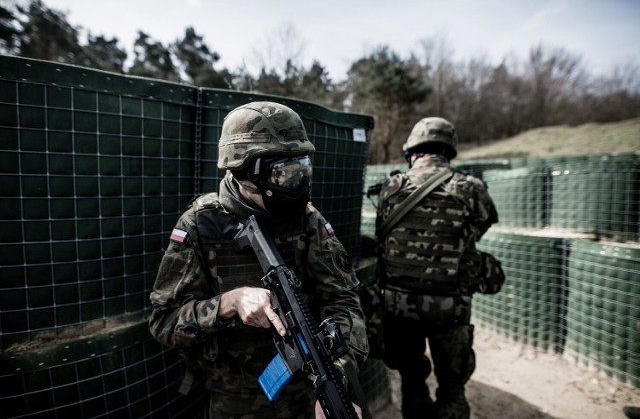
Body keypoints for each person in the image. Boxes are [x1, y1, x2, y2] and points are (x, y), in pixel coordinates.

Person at [149, 101, 368, 418]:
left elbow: (344, 300)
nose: (296, 185)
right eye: (282, 174)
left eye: (301, 168)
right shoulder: (201, 223)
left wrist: (339, 374)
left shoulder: (308, 221)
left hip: (308, 392)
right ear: (242, 170)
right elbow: (164, 322)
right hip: (236, 397)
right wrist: (228, 303)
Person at [375, 117, 498, 419]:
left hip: (399, 306)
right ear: (448, 150)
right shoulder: (471, 188)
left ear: (412, 151)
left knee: (412, 383)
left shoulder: (392, 187)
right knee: (453, 389)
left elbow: (383, 234)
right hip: (451, 306)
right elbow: (478, 231)